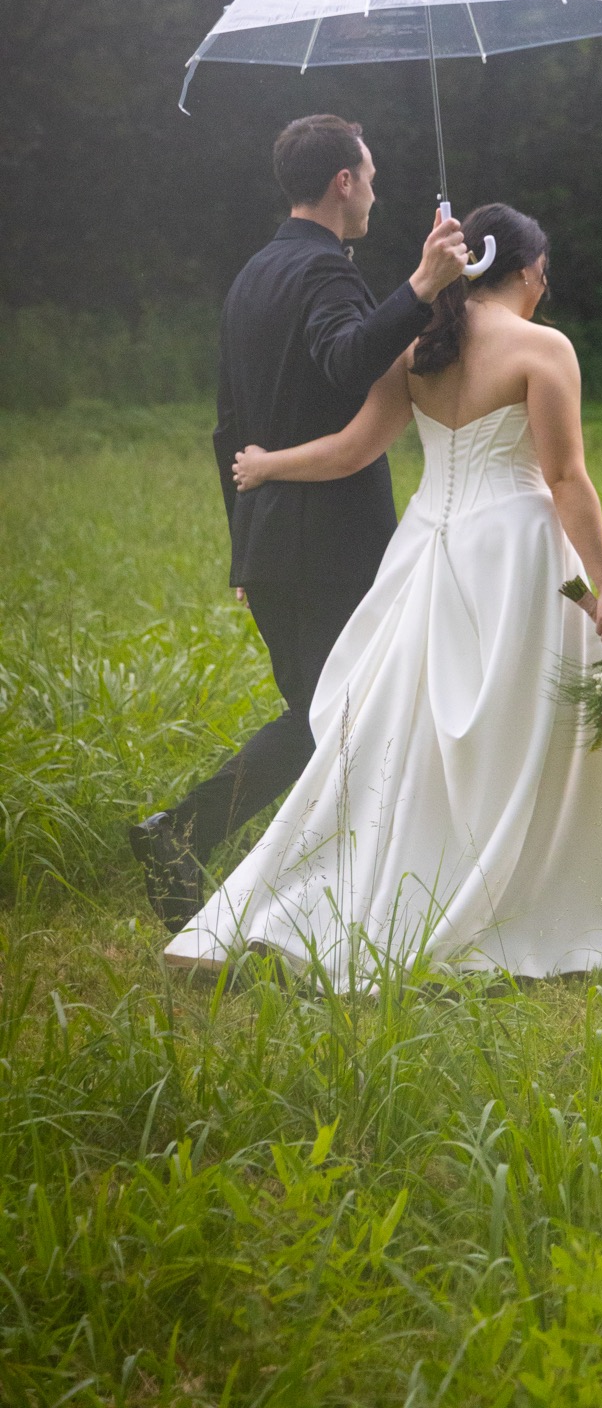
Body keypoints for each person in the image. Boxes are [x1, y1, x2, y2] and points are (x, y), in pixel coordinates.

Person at [161, 202, 602, 983]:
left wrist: (268, 464)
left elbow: (354, 449)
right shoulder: (543, 347)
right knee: (526, 730)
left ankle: (399, 881)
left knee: (415, 736)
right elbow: (564, 476)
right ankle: (533, 905)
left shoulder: (417, 349)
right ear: (528, 270)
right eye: (545, 271)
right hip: (517, 554)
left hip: (428, 547)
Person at [129, 115, 469, 930]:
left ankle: (333, 883)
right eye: (371, 175)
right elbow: (348, 358)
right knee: (341, 715)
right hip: (329, 540)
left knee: (332, 715)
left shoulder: (253, 275)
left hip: (272, 536)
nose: (377, 191)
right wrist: (421, 289)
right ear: (343, 182)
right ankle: (184, 834)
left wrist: (243, 544)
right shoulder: (324, 276)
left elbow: (227, 424)